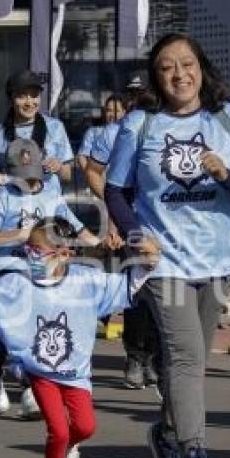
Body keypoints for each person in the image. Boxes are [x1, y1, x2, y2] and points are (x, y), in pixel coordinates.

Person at [105, 33, 230, 458]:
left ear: (202, 68)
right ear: (157, 77)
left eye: (187, 64)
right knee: (185, 355)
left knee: (188, 364)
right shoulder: (139, 123)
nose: (180, 74)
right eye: (167, 67)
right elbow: (116, 190)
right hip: (164, 262)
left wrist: (226, 175)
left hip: (216, 259)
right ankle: (195, 452)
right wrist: (137, 236)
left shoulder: (228, 116)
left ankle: (165, 434)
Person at [0, 216, 157, 458]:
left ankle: (71, 447)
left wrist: (146, 265)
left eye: (37, 251)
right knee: (59, 428)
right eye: (29, 249)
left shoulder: (86, 279)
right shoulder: (18, 281)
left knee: (85, 427)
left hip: (77, 372)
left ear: (64, 253)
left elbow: (125, 287)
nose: (30, 255)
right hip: (39, 371)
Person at [0, 139, 101, 415]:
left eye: (32, 175)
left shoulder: (51, 193)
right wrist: (18, 235)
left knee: (37, 325)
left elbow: (73, 224)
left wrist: (98, 243)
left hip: (40, 267)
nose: (28, 181)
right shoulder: (3, 196)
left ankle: (31, 387)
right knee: (6, 326)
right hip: (8, 265)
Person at [85, 91, 160, 390]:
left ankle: (155, 356)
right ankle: (135, 356)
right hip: (132, 222)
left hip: (167, 227)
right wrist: (114, 220)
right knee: (137, 292)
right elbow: (94, 172)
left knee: (163, 294)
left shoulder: (177, 126)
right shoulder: (115, 133)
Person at [0, 70, 74, 195]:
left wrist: (59, 167)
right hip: (13, 206)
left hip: (48, 207)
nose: (29, 102)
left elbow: (67, 176)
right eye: (22, 96)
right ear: (10, 98)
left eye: (34, 95)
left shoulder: (55, 127)